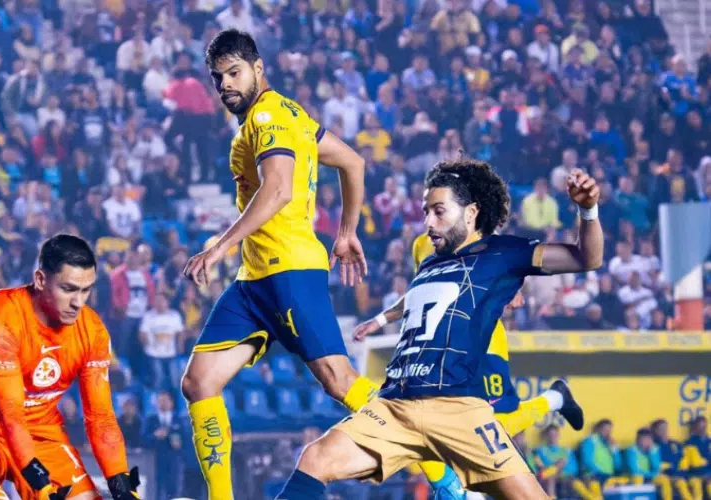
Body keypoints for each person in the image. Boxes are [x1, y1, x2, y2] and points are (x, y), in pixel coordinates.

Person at [276, 159, 604, 500]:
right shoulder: (430, 263)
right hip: (395, 407)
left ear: (470, 212)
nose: (428, 222)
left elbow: (586, 258)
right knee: (315, 457)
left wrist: (588, 211)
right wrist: (381, 319)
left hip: (458, 409)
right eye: (425, 212)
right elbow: (420, 300)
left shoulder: (503, 253)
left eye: (438, 211)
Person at [180, 29, 376, 500]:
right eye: (218, 77)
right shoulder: (293, 117)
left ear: (258, 68)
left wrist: (219, 247)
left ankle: (437, 465)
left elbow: (279, 188)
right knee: (199, 381)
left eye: (234, 72)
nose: (225, 83)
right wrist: (346, 232)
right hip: (254, 282)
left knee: (339, 382)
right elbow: (352, 162)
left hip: (287, 272)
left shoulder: (267, 114)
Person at [352, 226, 585, 500]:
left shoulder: (471, 229)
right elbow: (424, 292)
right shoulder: (424, 243)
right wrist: (381, 320)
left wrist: (511, 289)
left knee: (495, 421)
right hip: (435, 342)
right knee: (446, 422)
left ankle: (554, 399)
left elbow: (498, 264)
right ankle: (555, 398)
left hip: (479, 333)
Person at [0, 234, 140, 500]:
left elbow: (100, 418)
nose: (78, 302)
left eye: (86, 290)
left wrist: (120, 482)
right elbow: (10, 414)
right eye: (68, 289)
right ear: (41, 280)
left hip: (41, 432)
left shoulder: (93, 330)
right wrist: (40, 483)